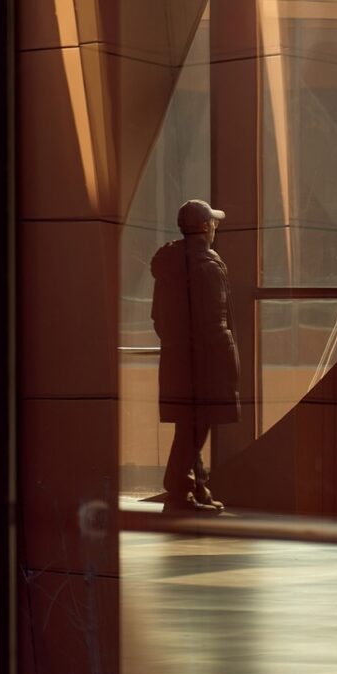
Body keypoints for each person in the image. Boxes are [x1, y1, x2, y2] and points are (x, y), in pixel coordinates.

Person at [150, 197, 240, 511]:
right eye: (213, 222)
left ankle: (196, 488)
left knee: (188, 426)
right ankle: (178, 490)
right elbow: (217, 324)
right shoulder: (209, 265)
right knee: (197, 426)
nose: (215, 227)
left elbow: (158, 318)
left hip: (176, 361)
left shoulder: (167, 265)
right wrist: (228, 363)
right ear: (204, 227)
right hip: (205, 365)